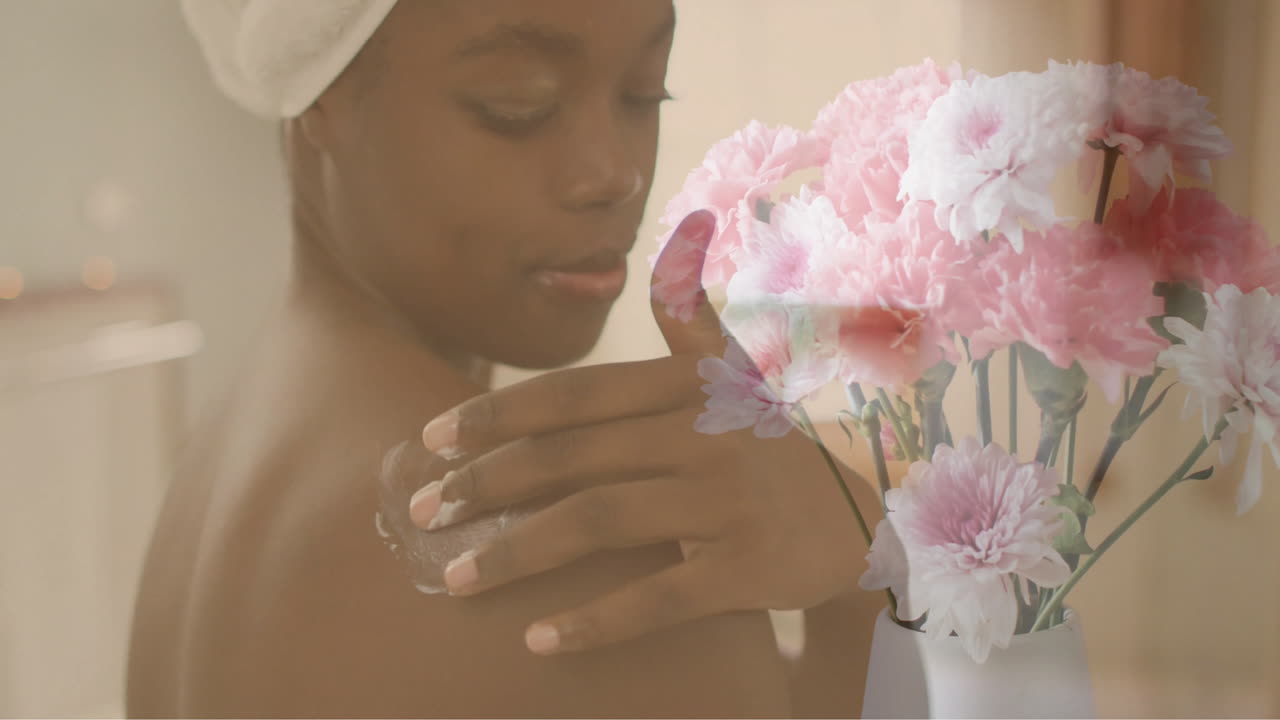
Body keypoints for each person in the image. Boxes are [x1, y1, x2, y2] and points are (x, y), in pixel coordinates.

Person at [126, 0, 886, 717]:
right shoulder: (569, 568)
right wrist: (878, 574)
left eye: (645, 93)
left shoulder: (229, 465)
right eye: (518, 105)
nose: (614, 173)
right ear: (320, 93)